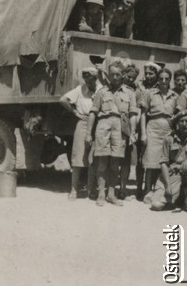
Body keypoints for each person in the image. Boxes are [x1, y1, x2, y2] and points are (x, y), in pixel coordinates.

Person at [86, 61, 138, 206]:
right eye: (112, 74)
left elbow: (133, 114)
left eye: (118, 74)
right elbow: (93, 113)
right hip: (103, 125)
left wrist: (133, 132)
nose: (115, 77)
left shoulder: (129, 93)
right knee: (102, 162)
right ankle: (101, 193)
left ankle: (111, 194)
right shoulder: (102, 92)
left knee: (115, 163)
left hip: (120, 128)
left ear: (123, 75)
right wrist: (88, 133)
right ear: (108, 75)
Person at [150, 110, 187, 215]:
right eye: (181, 121)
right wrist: (167, 185)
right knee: (156, 205)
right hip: (173, 174)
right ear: (177, 123)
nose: (184, 124)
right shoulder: (169, 138)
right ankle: (178, 198)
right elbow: (163, 163)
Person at [59, 67, 102, 200]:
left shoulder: (101, 89)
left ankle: (91, 190)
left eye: (91, 80)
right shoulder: (80, 89)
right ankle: (73, 190)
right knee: (78, 158)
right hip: (83, 123)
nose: (88, 83)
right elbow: (63, 100)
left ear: (96, 78)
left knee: (93, 159)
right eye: (86, 80)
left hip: (98, 124)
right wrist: (75, 113)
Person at [140, 68, 179, 203]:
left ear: (170, 80)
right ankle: (147, 191)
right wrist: (143, 133)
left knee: (163, 161)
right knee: (151, 161)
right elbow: (143, 114)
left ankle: (159, 189)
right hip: (153, 129)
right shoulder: (150, 93)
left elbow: (177, 115)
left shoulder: (174, 96)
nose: (163, 81)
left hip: (167, 130)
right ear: (158, 79)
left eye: (166, 79)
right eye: (161, 78)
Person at [134, 61, 160, 199]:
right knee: (139, 159)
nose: (149, 76)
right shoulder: (139, 86)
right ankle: (138, 187)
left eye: (152, 73)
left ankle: (149, 188)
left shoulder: (160, 86)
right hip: (140, 124)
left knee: (152, 159)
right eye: (147, 73)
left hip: (153, 126)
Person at [120, 63, 140, 199]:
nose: (131, 79)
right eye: (129, 76)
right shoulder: (117, 88)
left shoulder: (137, 90)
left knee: (127, 160)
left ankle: (122, 188)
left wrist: (133, 131)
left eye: (134, 77)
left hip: (129, 127)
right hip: (118, 126)